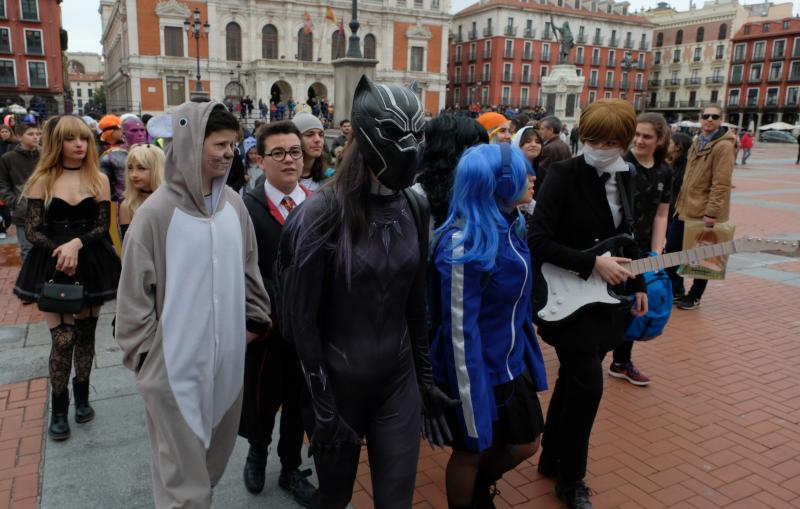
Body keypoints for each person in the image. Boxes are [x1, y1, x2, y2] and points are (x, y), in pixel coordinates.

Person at [277, 76, 454, 509]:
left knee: (396, 502)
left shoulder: (415, 205)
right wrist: (321, 407)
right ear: (367, 135)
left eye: (418, 133)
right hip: (336, 388)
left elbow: (415, 302)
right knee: (333, 498)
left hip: (397, 381)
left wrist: (425, 379)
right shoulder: (319, 215)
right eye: (397, 134)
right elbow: (299, 324)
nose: (410, 146)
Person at [115, 102, 272, 507]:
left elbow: (249, 269)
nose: (228, 153)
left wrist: (253, 322)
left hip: (227, 367)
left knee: (208, 468)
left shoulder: (234, 205)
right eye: (219, 144)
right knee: (183, 486)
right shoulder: (155, 215)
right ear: (189, 144)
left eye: (232, 145)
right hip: (174, 371)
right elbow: (133, 299)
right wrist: (151, 361)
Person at [529, 99, 647, 509]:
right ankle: (571, 480)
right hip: (566, 299)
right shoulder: (561, 174)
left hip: (606, 304)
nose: (600, 147)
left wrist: (642, 283)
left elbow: (632, 240)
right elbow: (538, 241)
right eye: (593, 138)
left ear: (625, 142)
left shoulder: (629, 177)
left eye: (611, 141)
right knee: (589, 387)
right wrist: (592, 262)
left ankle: (551, 457)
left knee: (574, 383)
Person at [430, 143, 547, 508]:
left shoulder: (514, 223)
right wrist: (470, 395)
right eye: (525, 170)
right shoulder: (462, 245)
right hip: (473, 369)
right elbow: (459, 333)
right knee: (469, 450)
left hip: (510, 363)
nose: (534, 176)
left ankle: (480, 488)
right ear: (499, 182)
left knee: (526, 442)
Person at [13, 115, 121, 440]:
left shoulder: (98, 178)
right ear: (57, 143)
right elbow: (32, 229)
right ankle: (59, 409)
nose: (79, 145)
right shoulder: (42, 179)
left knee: (86, 337)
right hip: (51, 263)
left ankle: (83, 399)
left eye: (84, 139)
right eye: (71, 139)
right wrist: (62, 250)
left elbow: (102, 225)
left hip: (91, 260)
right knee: (63, 340)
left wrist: (76, 243)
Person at [239, 121, 316, 505]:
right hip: (266, 328)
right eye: (279, 153)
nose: (289, 160)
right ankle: (256, 452)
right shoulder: (246, 210)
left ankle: (289, 468)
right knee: (262, 397)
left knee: (300, 401)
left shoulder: (318, 206)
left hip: (307, 331)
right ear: (259, 160)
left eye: (295, 152)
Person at [608, 113, 672, 387]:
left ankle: (621, 362)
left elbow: (661, 214)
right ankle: (590, 354)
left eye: (647, 136)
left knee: (635, 304)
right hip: (614, 246)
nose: (639, 140)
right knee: (608, 302)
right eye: (636, 134)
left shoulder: (665, 172)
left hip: (643, 250)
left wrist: (656, 253)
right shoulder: (620, 164)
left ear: (659, 140)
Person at [667, 104, 735, 310]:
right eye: (706, 116)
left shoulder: (723, 146)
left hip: (704, 212)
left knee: (702, 256)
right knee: (672, 251)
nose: (710, 119)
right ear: (700, 118)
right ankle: (677, 290)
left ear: (721, 119)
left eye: (715, 116)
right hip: (685, 207)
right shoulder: (698, 141)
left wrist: (712, 213)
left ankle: (694, 296)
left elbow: (721, 183)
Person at [416, 115, 488, 229]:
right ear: (450, 151)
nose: (483, 155)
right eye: (474, 147)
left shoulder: (481, 190)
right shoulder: (416, 198)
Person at [0, 123, 41, 257]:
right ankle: (29, 278)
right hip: (23, 213)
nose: (35, 137)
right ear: (19, 136)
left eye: (38, 134)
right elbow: (2, 183)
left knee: (49, 250)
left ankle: (46, 278)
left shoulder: (46, 154)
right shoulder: (8, 158)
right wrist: (14, 202)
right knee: (28, 251)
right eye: (30, 134)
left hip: (49, 211)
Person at [118, 144, 164, 243]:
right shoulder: (127, 206)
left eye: (141, 168)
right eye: (130, 168)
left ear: (157, 169)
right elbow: (128, 247)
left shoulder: (172, 200)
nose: (133, 174)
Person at [536, 115, 572, 198]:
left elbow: (541, 174)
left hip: (551, 192)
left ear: (551, 130)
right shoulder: (563, 145)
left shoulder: (549, 148)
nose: (539, 131)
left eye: (542, 129)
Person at [292, 112, 328, 192]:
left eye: (321, 135)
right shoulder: (280, 179)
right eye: (309, 135)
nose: (317, 140)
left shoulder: (331, 178)